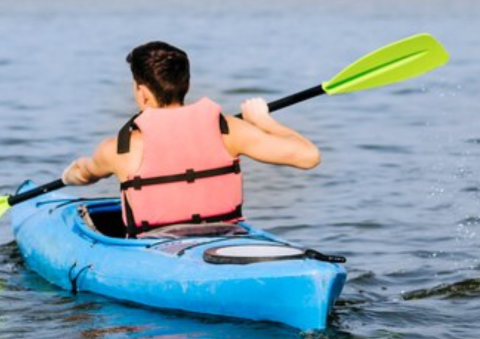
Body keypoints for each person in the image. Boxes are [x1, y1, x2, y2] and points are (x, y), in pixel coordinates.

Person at [62, 41, 320, 238]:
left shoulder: (121, 149)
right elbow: (309, 156)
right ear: (186, 84)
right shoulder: (228, 130)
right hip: (227, 239)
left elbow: (85, 173)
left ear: (142, 93)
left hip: (156, 251)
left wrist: (69, 175)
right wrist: (263, 120)